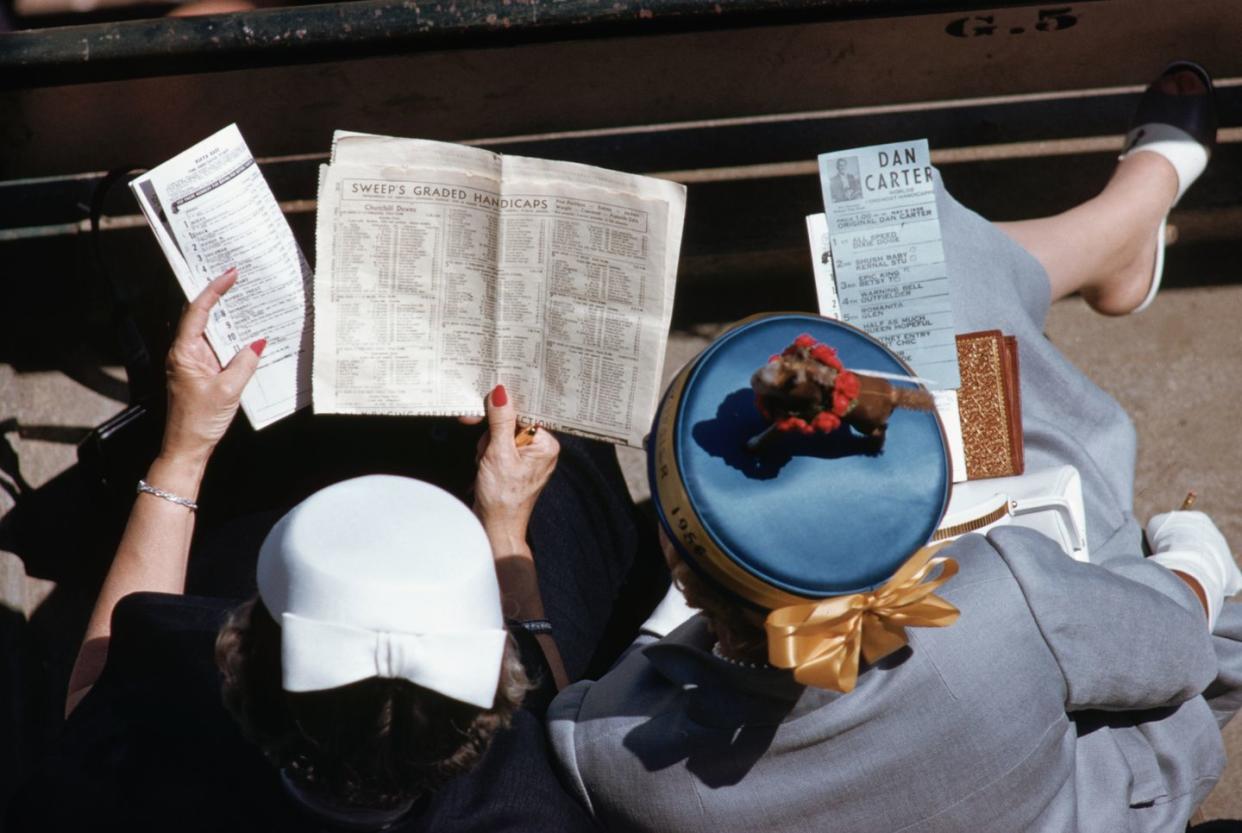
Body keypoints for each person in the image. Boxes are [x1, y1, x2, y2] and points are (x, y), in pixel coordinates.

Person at [547, 62, 1242, 833]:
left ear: (678, 565)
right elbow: (1177, 639)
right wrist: (1193, 552)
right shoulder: (1003, 604)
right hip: (1090, 776)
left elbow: (575, 707)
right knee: (946, 289)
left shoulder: (609, 752)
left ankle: (1109, 242)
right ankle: (1127, 221)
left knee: (940, 276)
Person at [8, 262, 658, 830]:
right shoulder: (529, 812)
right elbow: (550, 729)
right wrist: (507, 529)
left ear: (232, 658)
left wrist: (184, 452)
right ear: (494, 705)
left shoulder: (168, 719)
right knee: (568, 450)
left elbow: (95, 690)